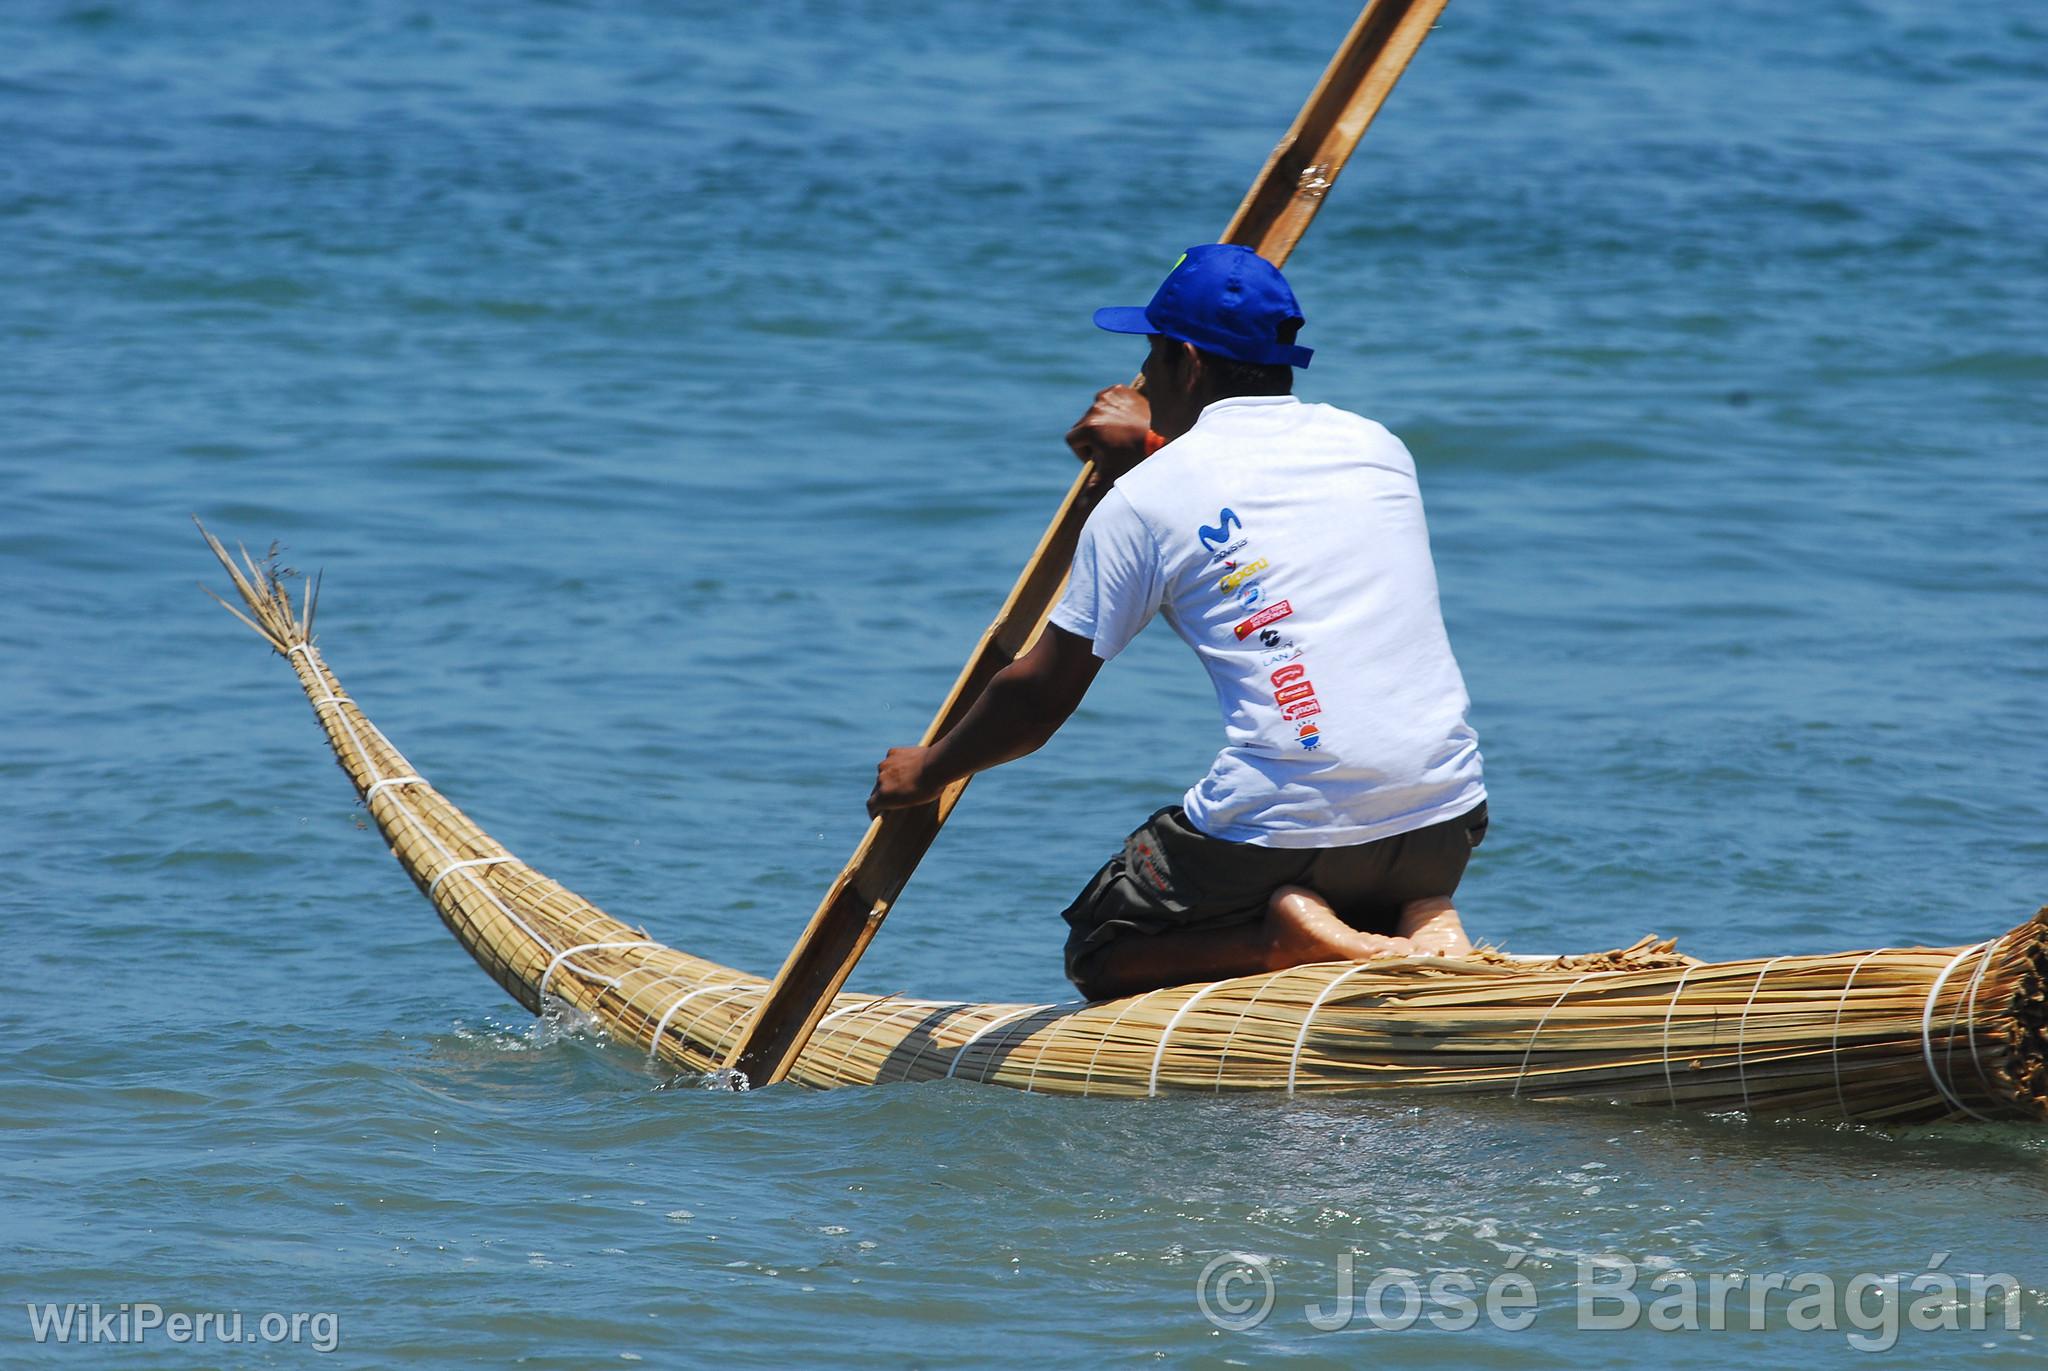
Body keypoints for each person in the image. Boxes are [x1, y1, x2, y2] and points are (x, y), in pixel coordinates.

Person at [867, 244, 1488, 1000]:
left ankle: (1279, 939)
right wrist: (1155, 449)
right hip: (1445, 822)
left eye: (1149, 359)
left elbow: (1039, 698)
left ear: (1186, 363)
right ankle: (1419, 913)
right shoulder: (1377, 447)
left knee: (1102, 945)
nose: (1142, 379)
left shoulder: (1143, 502)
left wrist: (928, 769)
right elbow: (1253, 514)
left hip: (1294, 834)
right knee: (1341, 837)